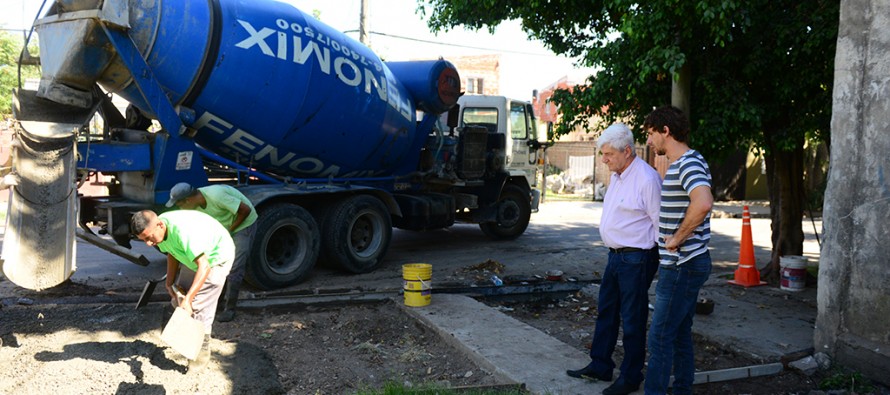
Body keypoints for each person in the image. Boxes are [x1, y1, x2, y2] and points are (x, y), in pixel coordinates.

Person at [566, 123, 662, 395]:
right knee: (607, 311)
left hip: (637, 258)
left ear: (627, 151)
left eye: (608, 154)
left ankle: (631, 377)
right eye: (603, 154)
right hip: (616, 256)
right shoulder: (619, 175)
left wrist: (657, 264)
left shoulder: (647, 179)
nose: (604, 159)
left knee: (632, 318)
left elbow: (659, 226)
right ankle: (600, 364)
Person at [643, 106, 713, 395]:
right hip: (682, 263)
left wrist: (676, 239)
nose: (648, 141)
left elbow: (704, 202)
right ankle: (683, 388)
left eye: (650, 134)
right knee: (680, 332)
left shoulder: (688, 163)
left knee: (660, 336)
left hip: (683, 263)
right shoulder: (682, 163)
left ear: (665, 131)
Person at [131, 209, 235, 369]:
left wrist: (189, 299)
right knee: (180, 297)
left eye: (149, 237)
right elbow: (172, 252)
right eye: (143, 240)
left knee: (197, 308)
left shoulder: (183, 233)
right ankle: (186, 337)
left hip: (216, 258)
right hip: (194, 257)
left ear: (159, 225)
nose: (149, 244)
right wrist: (169, 282)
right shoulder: (160, 232)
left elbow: (205, 266)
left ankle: (199, 361)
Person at [166, 182, 257, 322]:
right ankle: (217, 301)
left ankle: (229, 309)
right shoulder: (194, 207)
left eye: (180, 205)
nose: (180, 208)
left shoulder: (217, 196)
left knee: (234, 268)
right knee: (214, 262)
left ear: (188, 200)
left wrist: (230, 230)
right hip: (221, 229)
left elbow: (245, 210)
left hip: (241, 224)